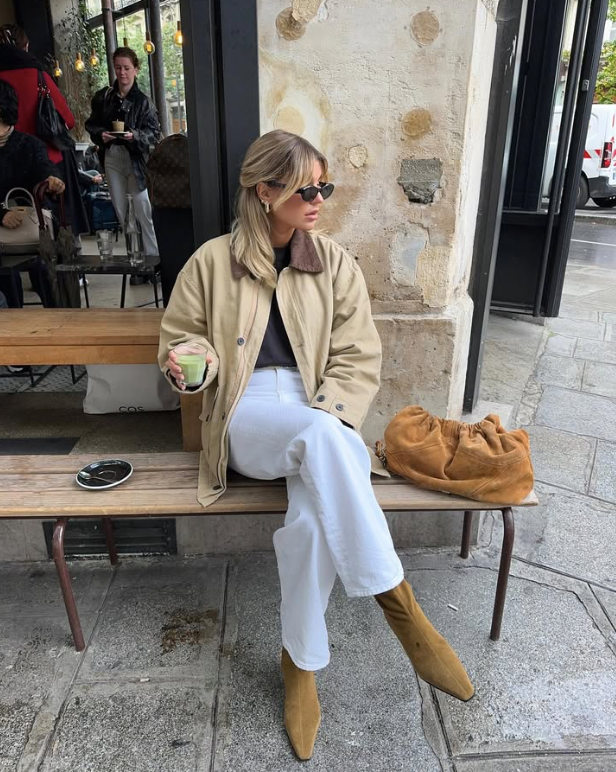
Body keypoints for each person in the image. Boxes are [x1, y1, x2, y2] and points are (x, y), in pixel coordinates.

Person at [158, 130, 474, 761]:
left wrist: (328, 414)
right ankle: (401, 609)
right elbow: (182, 338)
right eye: (307, 188)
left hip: (319, 412)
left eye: (325, 186)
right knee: (324, 443)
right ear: (264, 190)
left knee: (309, 519)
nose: (321, 199)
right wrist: (187, 360)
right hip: (247, 415)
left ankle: (299, 664)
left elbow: (359, 357)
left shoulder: (331, 262)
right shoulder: (212, 261)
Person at [0, 24, 88, 241]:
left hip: (6, 170)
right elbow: (67, 119)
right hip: (46, 165)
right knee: (56, 228)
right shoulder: (38, 75)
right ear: (26, 46)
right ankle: (66, 267)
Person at [86, 46, 160, 256]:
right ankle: (134, 258)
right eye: (118, 67)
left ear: (135, 69)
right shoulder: (105, 97)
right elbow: (91, 125)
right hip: (112, 157)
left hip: (135, 159)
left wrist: (134, 136)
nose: (122, 72)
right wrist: (103, 135)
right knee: (122, 211)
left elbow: (154, 134)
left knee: (143, 210)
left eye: (127, 68)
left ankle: (154, 260)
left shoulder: (143, 102)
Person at [0, 79, 65, 307]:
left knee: (44, 265)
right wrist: (1, 214)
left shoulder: (29, 144)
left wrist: (51, 180)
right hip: (2, 228)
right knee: (7, 274)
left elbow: (43, 168)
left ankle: (58, 318)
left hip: (28, 226)